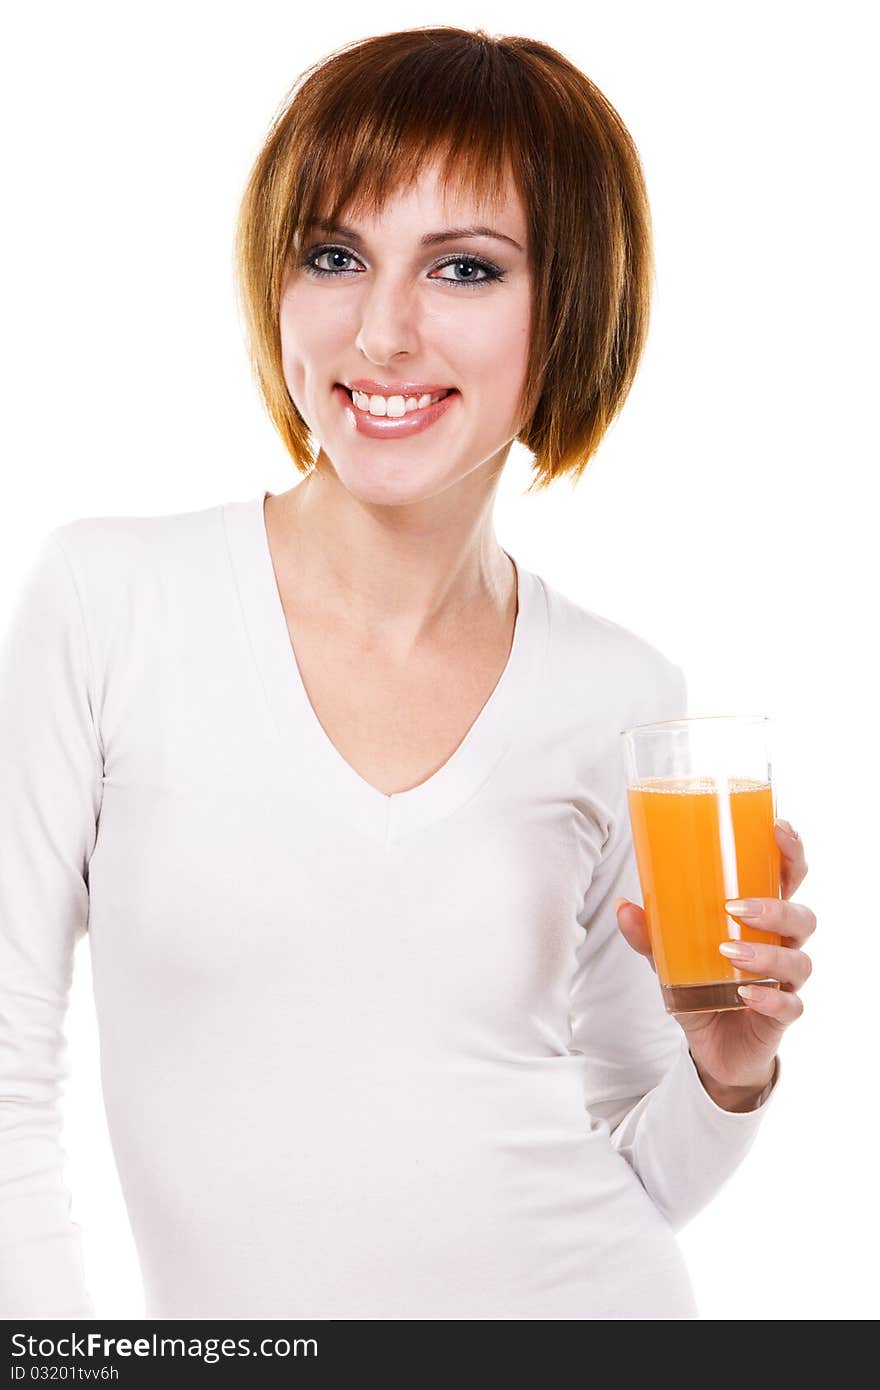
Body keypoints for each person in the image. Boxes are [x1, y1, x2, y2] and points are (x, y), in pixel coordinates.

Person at [0, 25, 815, 1321]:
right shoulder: (108, 603)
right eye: (335, 254)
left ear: (569, 309)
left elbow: (645, 1173)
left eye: (464, 268)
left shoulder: (622, 693)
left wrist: (726, 1070)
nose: (381, 331)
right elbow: (7, 1079)